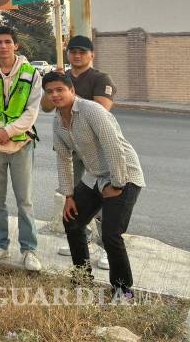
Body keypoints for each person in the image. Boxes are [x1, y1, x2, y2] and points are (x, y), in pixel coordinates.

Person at [43, 71, 144, 300]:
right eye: (50, 92)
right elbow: (63, 158)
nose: (55, 95)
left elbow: (114, 148)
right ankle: (82, 279)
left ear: (72, 90)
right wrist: (68, 195)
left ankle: (123, 291)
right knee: (72, 221)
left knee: (111, 234)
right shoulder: (58, 120)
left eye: (60, 89)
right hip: (95, 176)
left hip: (124, 174)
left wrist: (117, 185)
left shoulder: (92, 111)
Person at [41, 34, 117, 268]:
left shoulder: (100, 78)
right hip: (69, 146)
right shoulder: (60, 78)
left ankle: (105, 247)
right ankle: (80, 240)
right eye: (73, 51)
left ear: (91, 55)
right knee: (73, 196)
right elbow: (45, 107)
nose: (77, 55)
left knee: (103, 199)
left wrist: (67, 95)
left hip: (94, 149)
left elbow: (102, 108)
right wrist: (56, 85)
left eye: (82, 51)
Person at [0, 26, 43, 272]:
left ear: (16, 45)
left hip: (21, 144)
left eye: (7, 42)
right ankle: (0, 243)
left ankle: (29, 249)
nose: (3, 46)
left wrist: (9, 131)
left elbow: (32, 111)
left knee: (25, 200)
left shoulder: (31, 73)